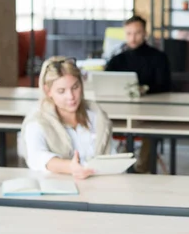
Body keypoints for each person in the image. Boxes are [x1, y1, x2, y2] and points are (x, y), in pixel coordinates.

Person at [21, 56, 116, 179]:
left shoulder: (97, 116)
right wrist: (70, 167)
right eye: (61, 91)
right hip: (58, 189)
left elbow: (111, 155)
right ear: (48, 91)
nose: (71, 96)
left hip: (99, 186)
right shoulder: (37, 121)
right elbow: (36, 156)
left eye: (75, 87)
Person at [105, 15, 172, 173]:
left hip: (151, 111)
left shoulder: (159, 58)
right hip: (121, 111)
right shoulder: (116, 60)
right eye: (129, 33)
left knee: (151, 130)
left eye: (137, 33)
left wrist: (145, 89)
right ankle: (114, 167)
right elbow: (106, 82)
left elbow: (165, 86)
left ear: (145, 33)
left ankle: (140, 172)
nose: (132, 37)